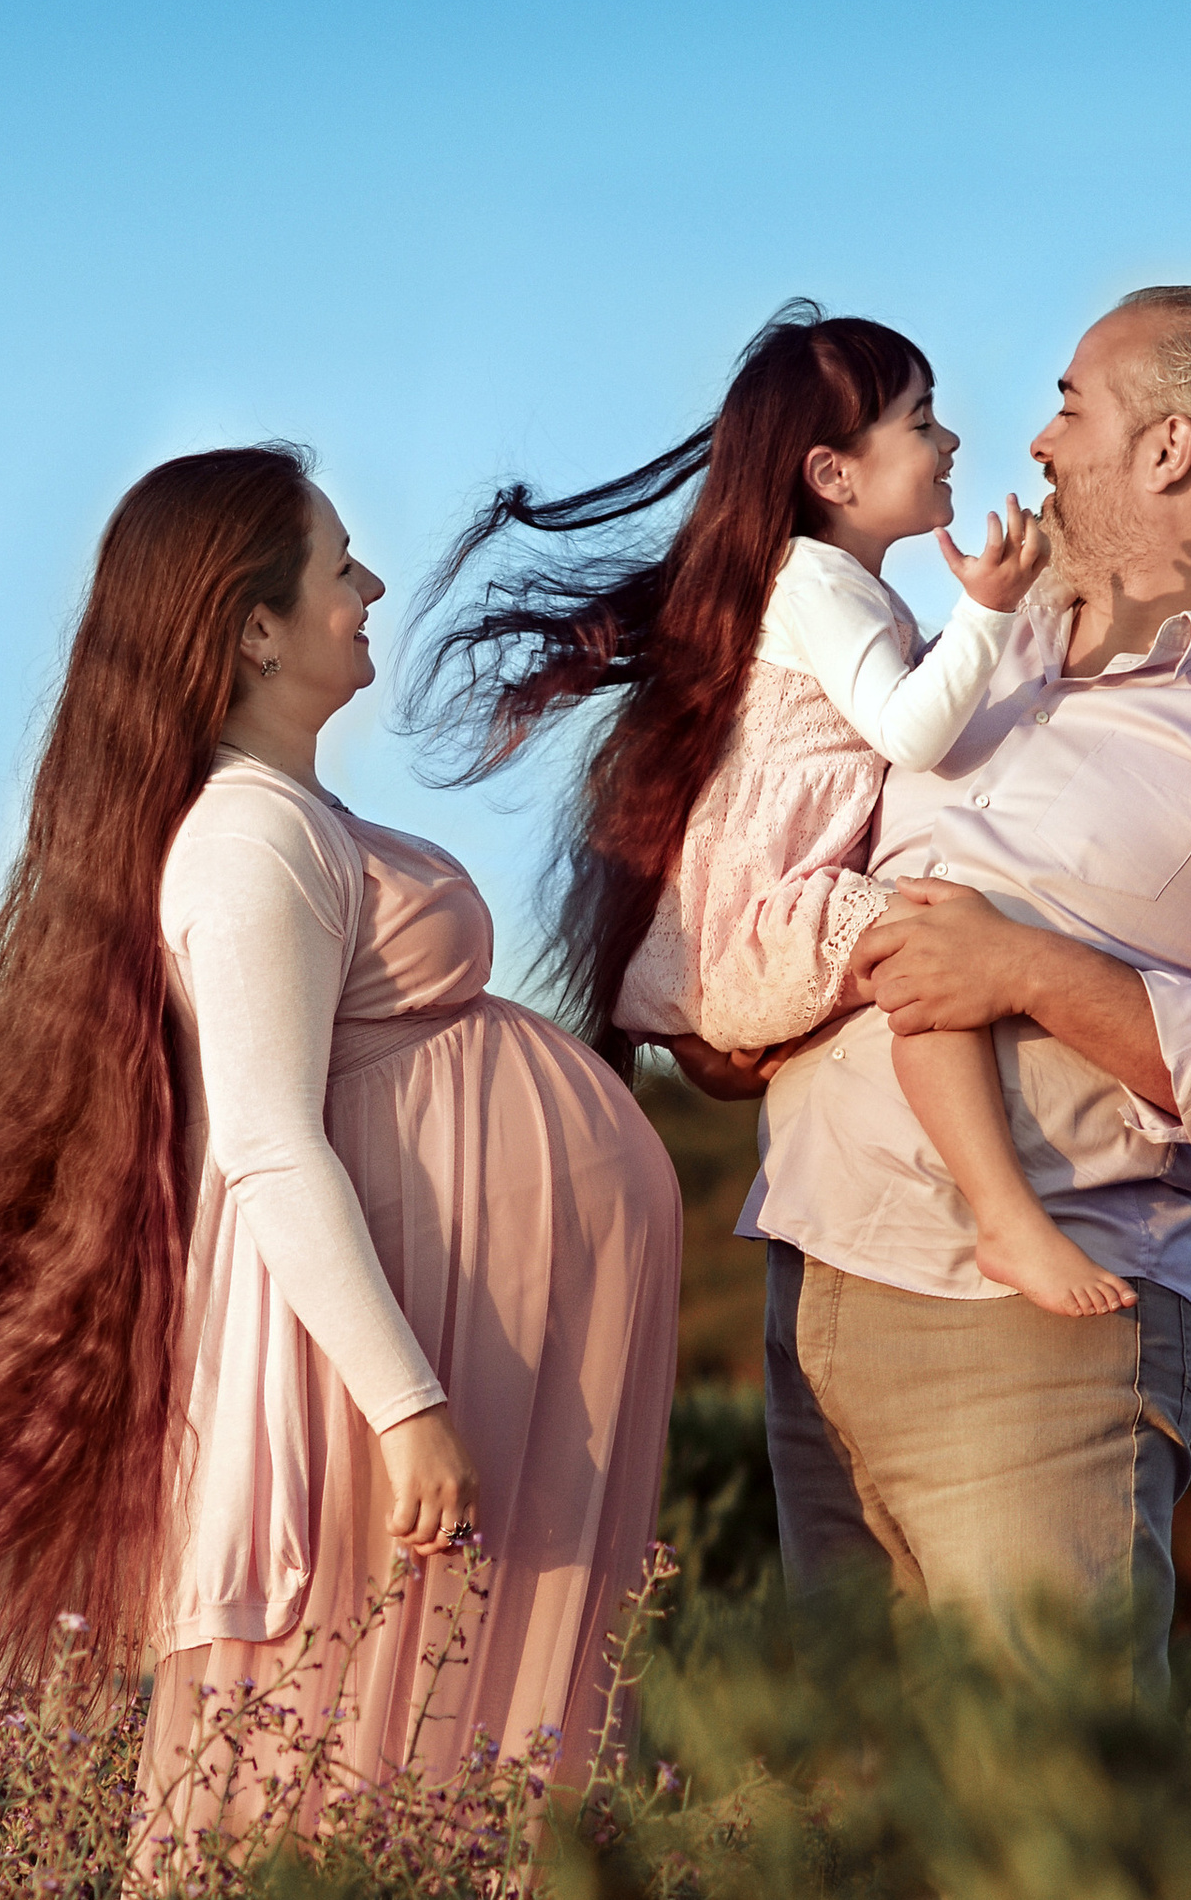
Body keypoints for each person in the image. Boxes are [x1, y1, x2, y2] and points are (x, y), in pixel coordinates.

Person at [0, 443, 682, 1830]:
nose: (372, 583)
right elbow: (269, 1144)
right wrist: (406, 1404)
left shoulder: (299, 818)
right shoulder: (243, 841)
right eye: (341, 565)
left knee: (459, 1752)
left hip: (453, 1337)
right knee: (357, 1758)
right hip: (383, 1363)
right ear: (254, 627)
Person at [703, 285, 1191, 1687]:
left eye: (1071, 405)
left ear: (1167, 451)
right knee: (845, 1832)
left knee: (1045, 1827)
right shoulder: (979, 647)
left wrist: (1028, 967)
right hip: (812, 1290)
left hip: (1042, 1340)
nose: (1034, 441)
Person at [407, 301, 1133, 1320]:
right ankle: (1004, 1215)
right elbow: (911, 732)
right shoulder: (812, 579)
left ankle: (992, 1208)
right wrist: (989, 612)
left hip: (759, 927)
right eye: (922, 421)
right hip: (758, 925)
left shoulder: (842, 589)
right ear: (834, 475)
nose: (951, 441)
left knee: (919, 949)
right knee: (929, 949)